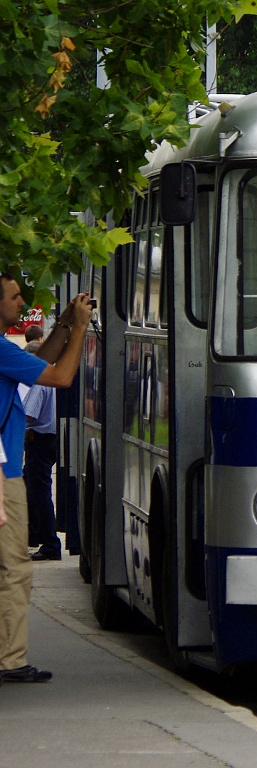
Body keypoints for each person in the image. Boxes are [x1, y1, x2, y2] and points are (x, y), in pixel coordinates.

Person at [0, 274, 92, 684]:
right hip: (4, 474)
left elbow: (40, 364)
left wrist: (64, 325)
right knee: (15, 567)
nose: (22, 303)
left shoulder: (6, 350)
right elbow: (60, 376)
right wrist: (82, 331)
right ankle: (10, 660)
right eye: (15, 296)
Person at [21, 340, 60, 561]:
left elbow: (29, 414)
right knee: (31, 486)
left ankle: (50, 544)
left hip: (39, 440)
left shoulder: (39, 383)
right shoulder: (53, 379)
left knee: (40, 493)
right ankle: (34, 535)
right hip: (50, 440)